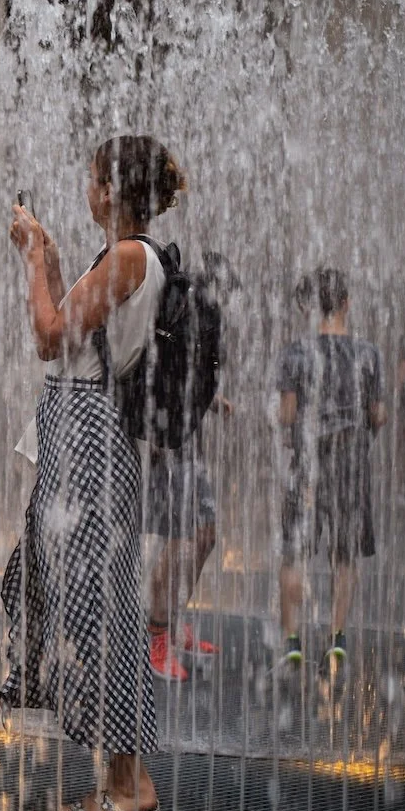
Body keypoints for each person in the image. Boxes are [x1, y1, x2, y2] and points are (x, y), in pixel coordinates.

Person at [2, 135, 188, 811]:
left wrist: (32, 261)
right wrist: (51, 260)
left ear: (110, 190)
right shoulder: (123, 257)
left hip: (90, 442)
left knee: (96, 610)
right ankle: (122, 779)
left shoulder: (130, 257)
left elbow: (50, 337)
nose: (86, 189)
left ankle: (131, 784)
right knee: (81, 601)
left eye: (91, 179)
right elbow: (73, 333)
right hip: (81, 434)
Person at [275, 267, 384, 671]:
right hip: (351, 464)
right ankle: (337, 636)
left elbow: (287, 415)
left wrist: (290, 430)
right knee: (345, 554)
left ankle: (292, 639)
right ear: (346, 303)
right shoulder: (368, 354)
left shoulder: (295, 353)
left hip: (308, 462)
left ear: (311, 307)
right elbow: (378, 413)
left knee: (294, 552)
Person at [143, 254, 239, 682]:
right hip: (168, 442)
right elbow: (155, 369)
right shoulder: (183, 311)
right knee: (182, 537)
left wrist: (210, 401)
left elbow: (184, 374)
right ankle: (155, 637)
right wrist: (157, 434)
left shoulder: (198, 316)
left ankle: (172, 619)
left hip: (185, 439)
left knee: (204, 534)